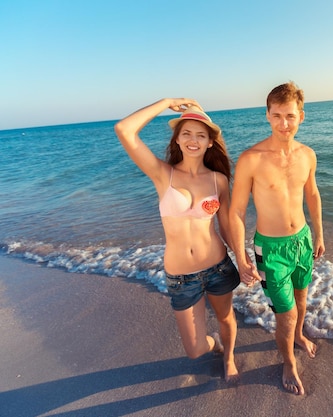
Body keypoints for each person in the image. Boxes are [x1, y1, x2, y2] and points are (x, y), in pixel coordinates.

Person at [114, 99, 241, 382]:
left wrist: (242, 260)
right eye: (186, 133)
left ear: (210, 142)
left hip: (218, 265)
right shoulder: (164, 174)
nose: (193, 140)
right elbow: (124, 130)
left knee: (225, 318)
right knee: (195, 350)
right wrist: (167, 101)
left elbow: (227, 224)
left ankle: (229, 357)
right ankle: (215, 345)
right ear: (178, 139)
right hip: (182, 276)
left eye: (200, 134)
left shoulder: (219, 180)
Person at [229, 82, 325, 395]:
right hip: (271, 250)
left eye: (290, 116)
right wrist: (242, 256)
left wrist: (319, 233)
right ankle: (288, 363)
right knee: (286, 313)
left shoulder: (307, 155)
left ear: (302, 117)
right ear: (268, 116)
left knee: (301, 300)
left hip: (303, 240)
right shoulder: (251, 159)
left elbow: (311, 193)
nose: (284, 123)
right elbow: (237, 211)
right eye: (277, 115)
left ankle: (298, 336)